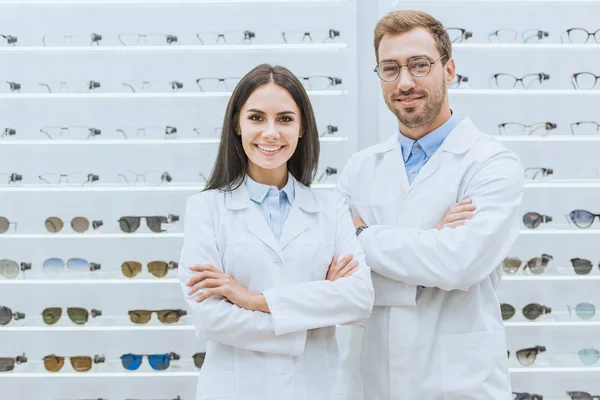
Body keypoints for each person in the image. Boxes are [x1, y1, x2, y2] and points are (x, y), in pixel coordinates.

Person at [337, 10, 524, 400]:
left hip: (460, 384)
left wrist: (360, 236)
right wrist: (430, 249)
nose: (404, 82)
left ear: (449, 69)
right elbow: (333, 276)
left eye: (419, 65)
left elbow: (460, 264)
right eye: (390, 69)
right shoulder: (359, 168)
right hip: (371, 382)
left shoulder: (491, 163)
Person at [178, 64, 374, 400]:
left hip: (317, 388)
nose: (271, 132)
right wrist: (314, 308)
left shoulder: (331, 207)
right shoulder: (206, 209)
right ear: (237, 125)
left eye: (284, 119)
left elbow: (358, 300)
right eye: (256, 118)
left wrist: (254, 300)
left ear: (301, 129)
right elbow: (210, 318)